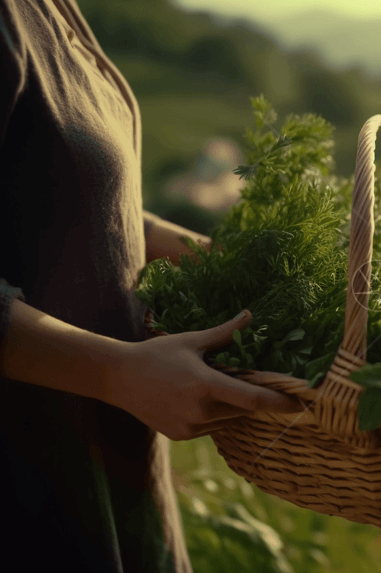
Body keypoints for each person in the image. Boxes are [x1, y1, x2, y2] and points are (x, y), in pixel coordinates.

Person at [0, 1, 293, 571]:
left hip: (117, 477)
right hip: (32, 498)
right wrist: (120, 372)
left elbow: (76, 201)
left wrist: (220, 260)